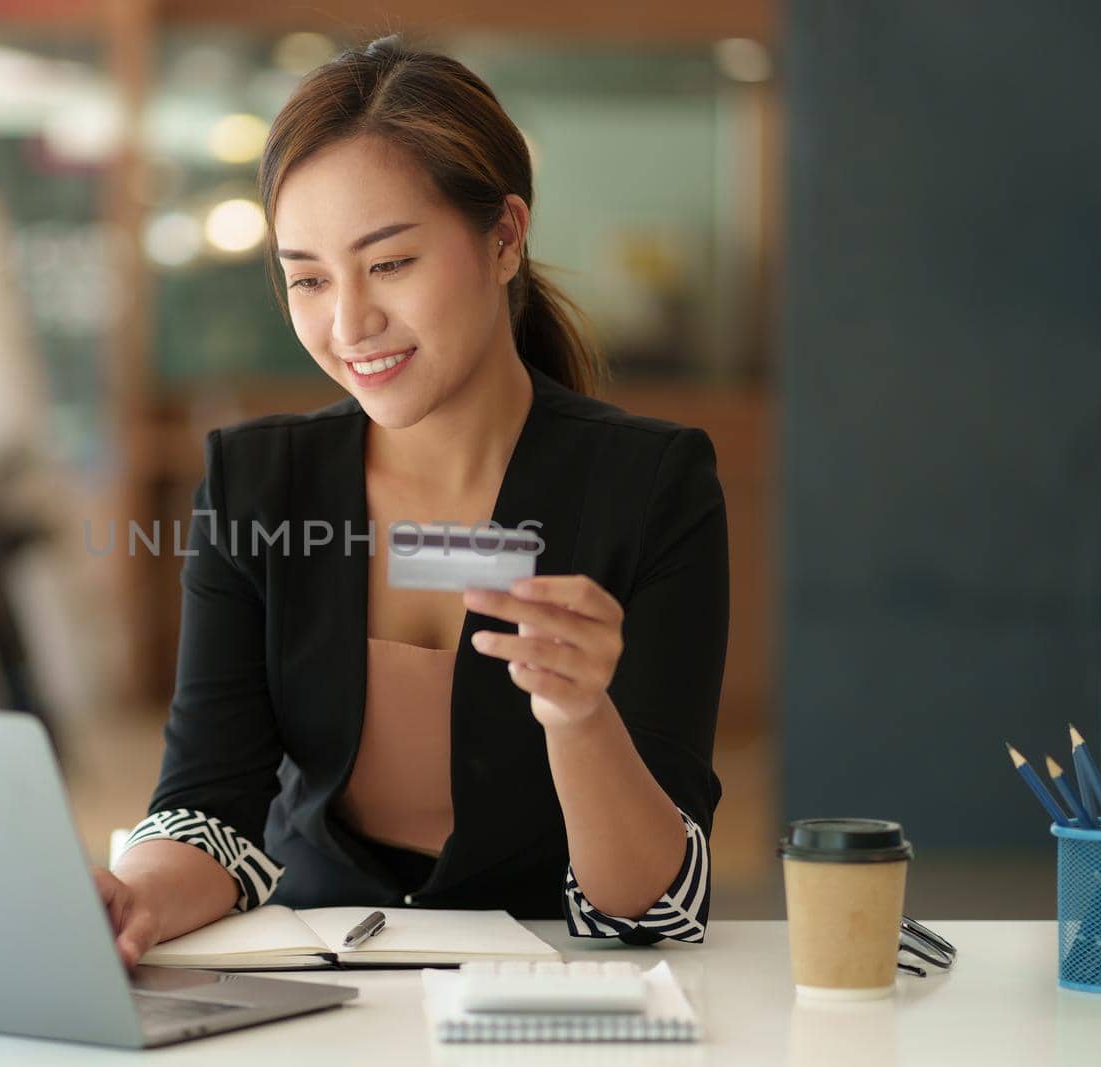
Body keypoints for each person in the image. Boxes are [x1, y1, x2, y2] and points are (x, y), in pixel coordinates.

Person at [93, 35, 728, 969]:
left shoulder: (651, 486)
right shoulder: (257, 485)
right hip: (324, 993)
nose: (349, 325)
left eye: (389, 264)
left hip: (562, 1002)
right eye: (308, 277)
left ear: (505, 236)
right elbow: (209, 810)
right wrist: (128, 897)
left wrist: (579, 713)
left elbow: (652, 911)